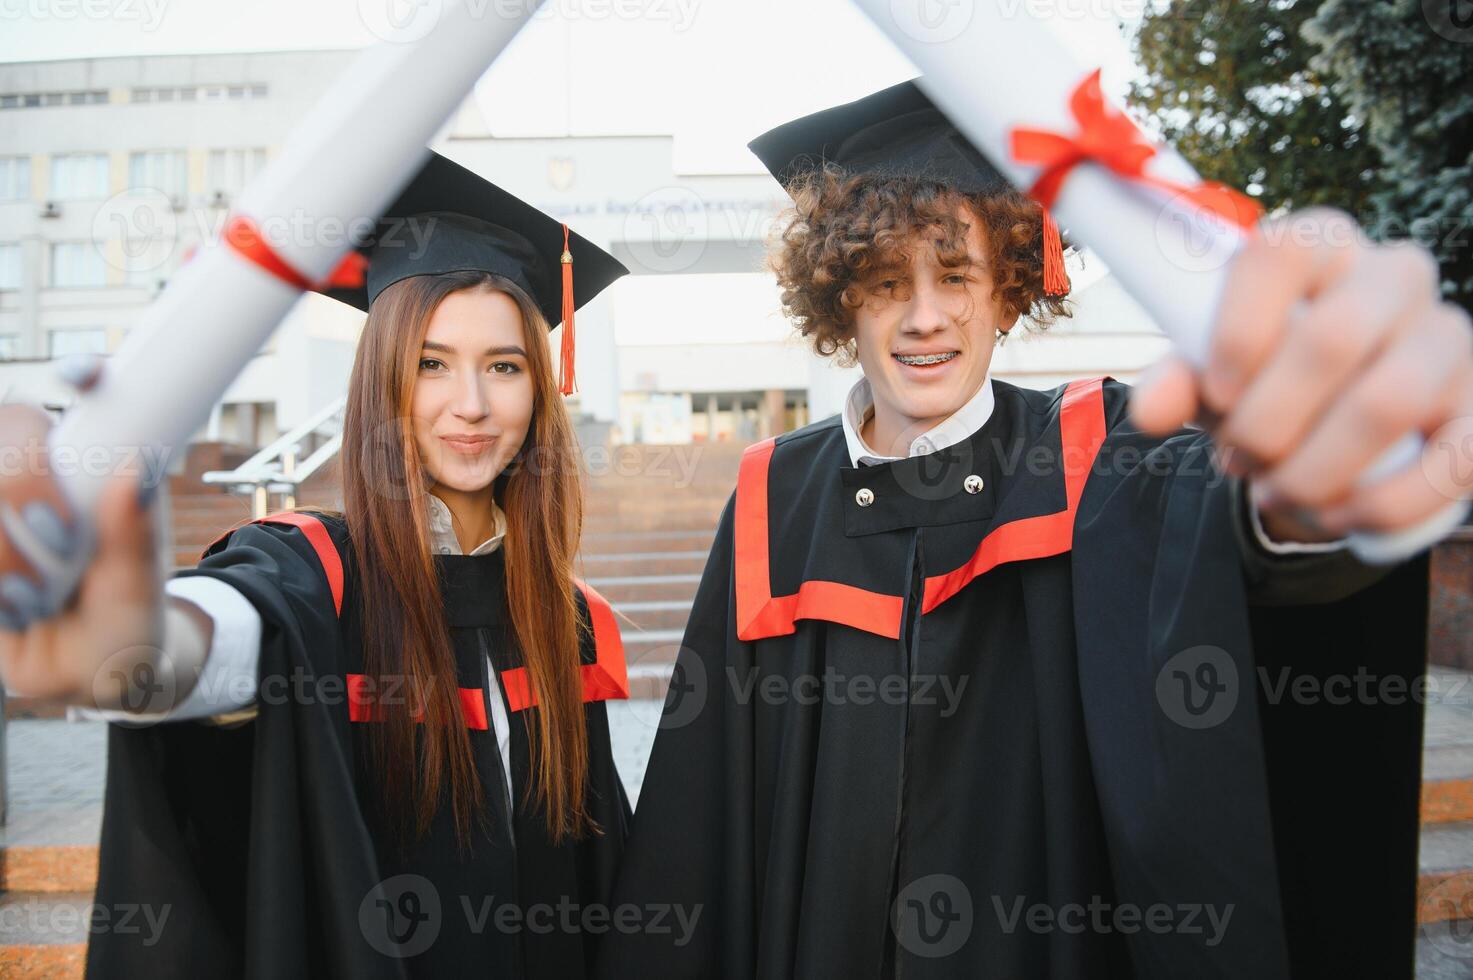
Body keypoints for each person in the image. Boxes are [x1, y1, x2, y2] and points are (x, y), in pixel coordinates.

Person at [596, 82, 1473, 979]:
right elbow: (701, 811)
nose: (924, 316)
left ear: (1010, 291)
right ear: (841, 303)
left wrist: (1325, 482)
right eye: (886, 282)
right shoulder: (773, 495)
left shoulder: (1101, 450)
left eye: (956, 276)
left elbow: (1245, 535)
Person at [0, 152, 634, 978]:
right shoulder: (314, 568)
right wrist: (128, 647)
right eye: (430, 363)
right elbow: (224, 634)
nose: (471, 403)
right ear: (381, 381)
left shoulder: (568, 615)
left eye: (504, 366)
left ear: (540, 389)